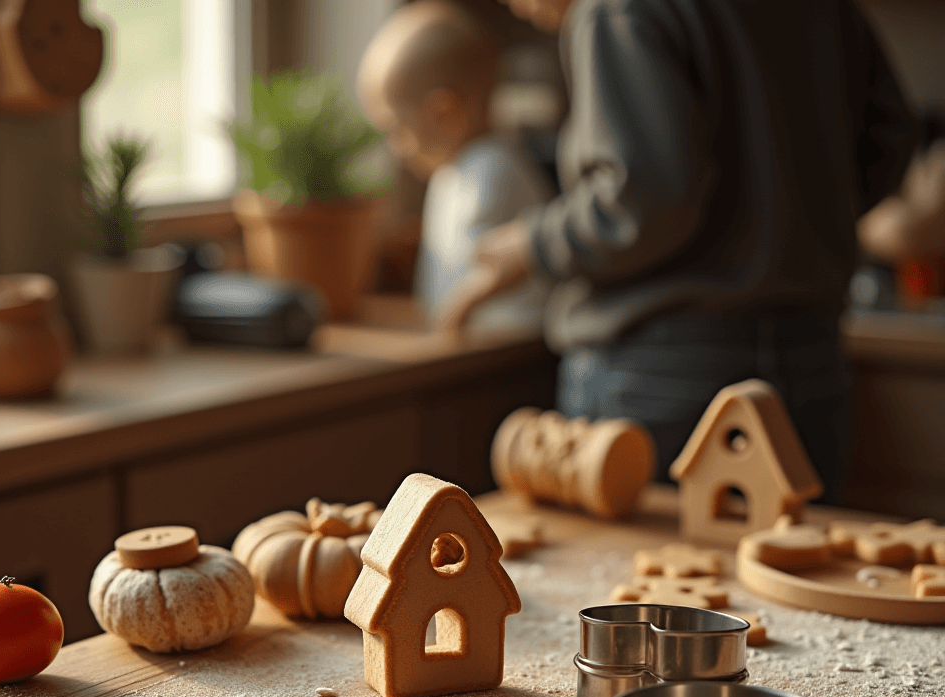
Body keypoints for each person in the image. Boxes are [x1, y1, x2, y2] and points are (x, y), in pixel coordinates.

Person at [443, 0, 917, 499]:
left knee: (646, 574)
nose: (516, 9)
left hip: (662, 375)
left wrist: (532, 244)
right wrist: (795, 219)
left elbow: (645, 201)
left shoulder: (613, 10)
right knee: (797, 566)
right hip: (812, 362)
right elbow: (888, 137)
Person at [357, 0, 554, 332]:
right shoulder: (455, 172)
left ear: (445, 115)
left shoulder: (488, 171)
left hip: (504, 352)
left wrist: (447, 321)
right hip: (475, 347)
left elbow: (482, 275)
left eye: (397, 129)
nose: (395, 148)